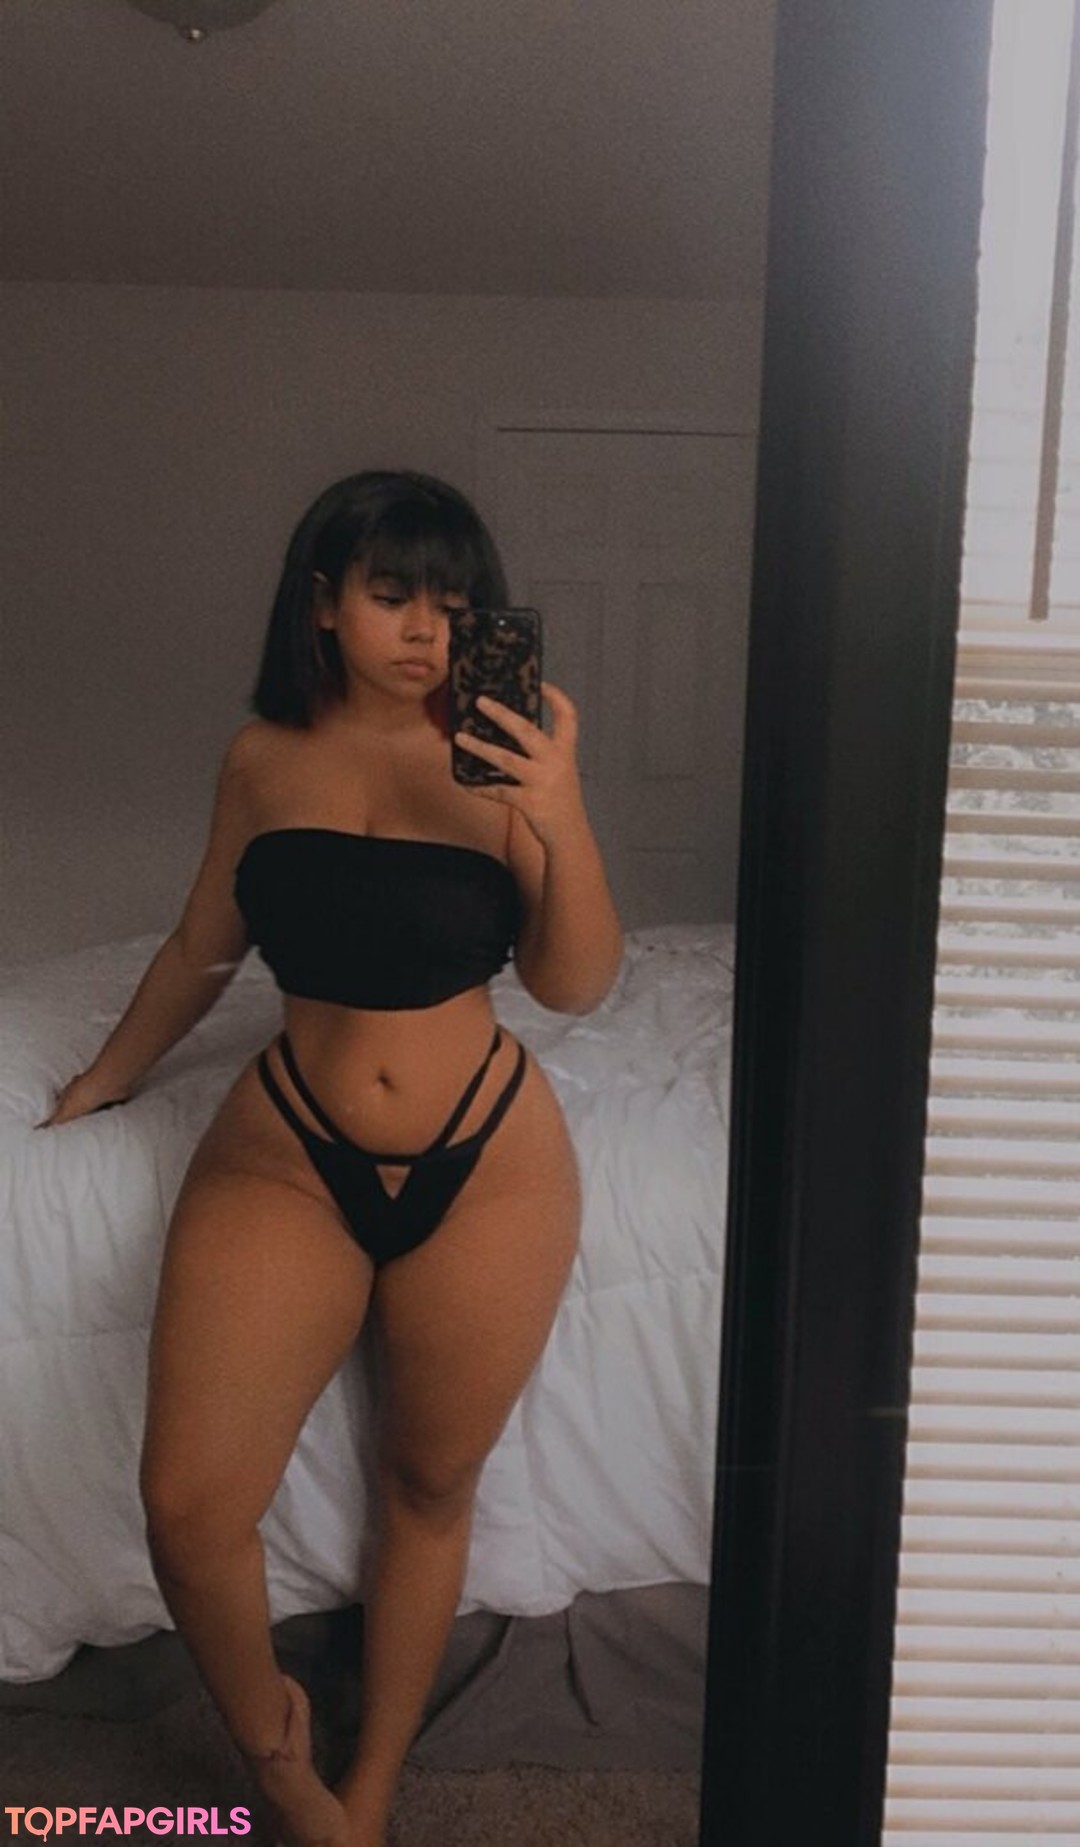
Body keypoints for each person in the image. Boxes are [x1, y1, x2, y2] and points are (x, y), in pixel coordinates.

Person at [43, 470, 623, 1847]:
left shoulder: (501, 759)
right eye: (392, 594)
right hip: (289, 1152)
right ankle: (284, 1770)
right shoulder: (262, 759)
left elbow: (576, 981)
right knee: (190, 1508)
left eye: (454, 603)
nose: (428, 629)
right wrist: (106, 1079)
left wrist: (559, 809)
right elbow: (205, 945)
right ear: (321, 602)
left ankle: (367, 1796)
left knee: (428, 1487)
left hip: (487, 1158)